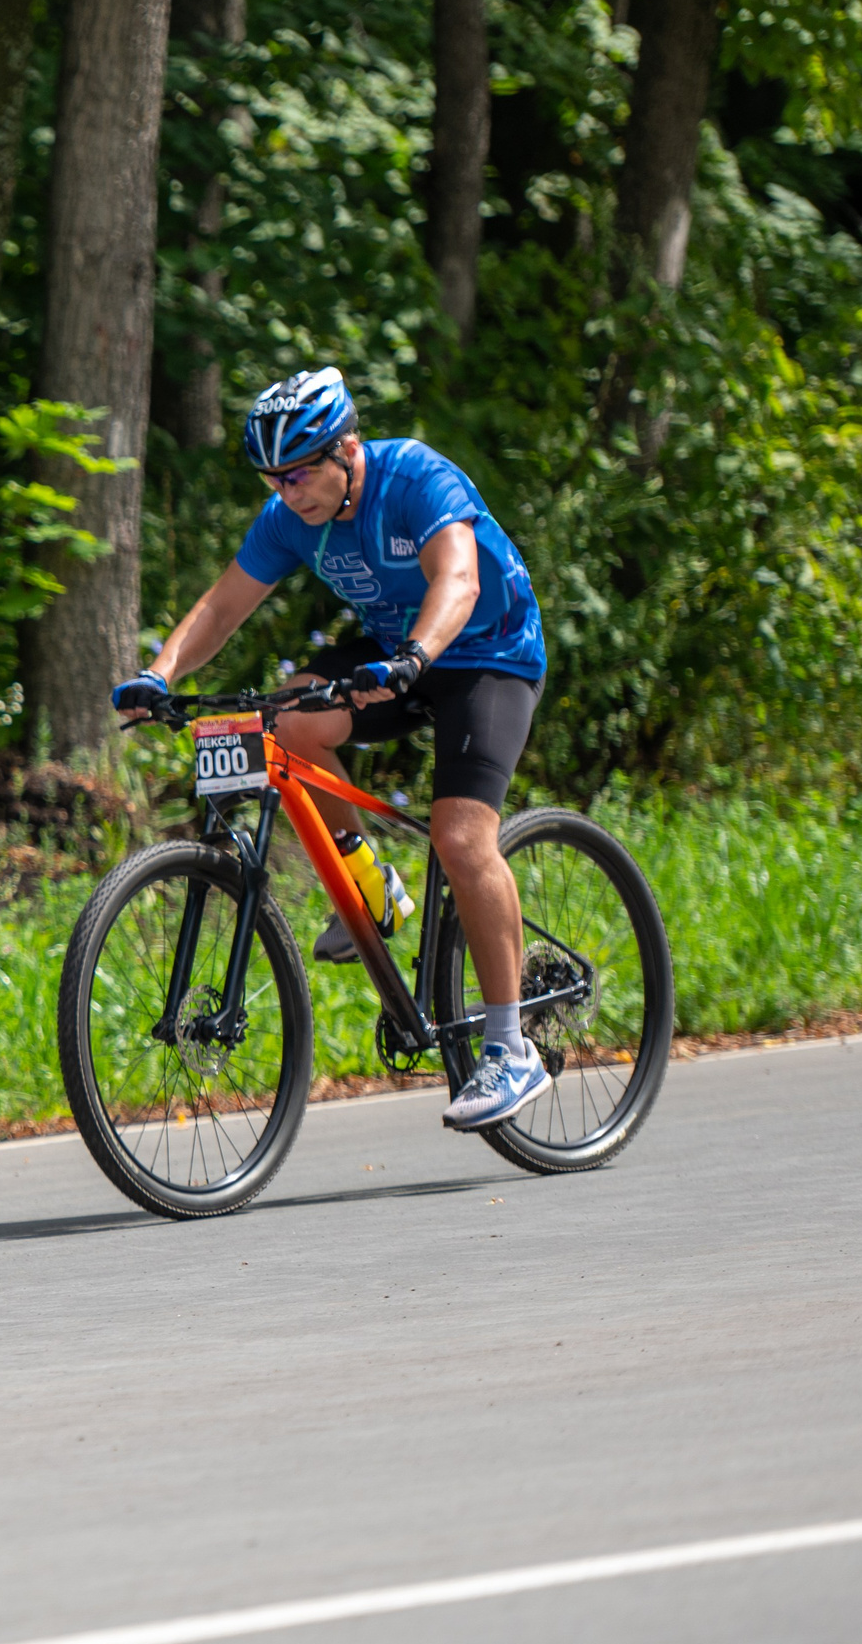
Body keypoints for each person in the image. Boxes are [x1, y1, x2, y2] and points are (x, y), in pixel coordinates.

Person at [111, 368, 553, 1131]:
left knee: (458, 835)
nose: (288, 492)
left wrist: (415, 656)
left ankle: (511, 1047)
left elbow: (459, 578)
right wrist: (160, 673)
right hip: (399, 657)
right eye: (273, 479)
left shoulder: (416, 477)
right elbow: (223, 605)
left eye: (300, 472)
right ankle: (369, 882)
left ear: (347, 447)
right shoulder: (290, 516)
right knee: (285, 722)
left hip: (486, 656)